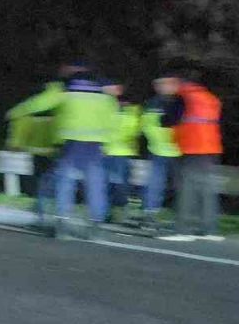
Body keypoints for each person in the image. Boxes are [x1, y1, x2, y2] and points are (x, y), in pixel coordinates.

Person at [23, 65, 117, 239]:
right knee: (96, 185)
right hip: (95, 147)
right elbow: (113, 123)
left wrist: (17, 112)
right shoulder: (106, 99)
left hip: (70, 145)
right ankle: (96, 225)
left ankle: (62, 224)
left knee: (65, 183)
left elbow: (37, 104)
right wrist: (108, 146)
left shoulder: (66, 93)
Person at [158, 68, 224, 242]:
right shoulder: (209, 97)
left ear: (177, 82)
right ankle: (209, 229)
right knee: (206, 191)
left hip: (192, 148)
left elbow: (168, 120)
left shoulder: (182, 97)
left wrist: (165, 103)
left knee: (186, 189)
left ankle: (182, 230)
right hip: (211, 148)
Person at [6, 69, 70, 226]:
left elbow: (17, 116)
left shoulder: (37, 101)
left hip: (38, 148)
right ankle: (58, 215)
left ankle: (42, 215)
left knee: (42, 181)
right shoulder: (67, 97)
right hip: (59, 147)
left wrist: (16, 142)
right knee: (59, 182)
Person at [140, 78, 184, 233]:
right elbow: (147, 126)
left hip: (178, 150)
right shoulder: (154, 103)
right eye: (162, 84)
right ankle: (150, 214)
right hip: (161, 150)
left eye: (170, 83)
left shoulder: (181, 102)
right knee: (155, 183)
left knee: (178, 185)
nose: (166, 87)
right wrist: (163, 141)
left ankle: (179, 216)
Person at [101, 83, 141, 225]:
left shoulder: (109, 108)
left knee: (109, 185)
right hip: (122, 152)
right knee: (120, 185)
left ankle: (106, 214)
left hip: (109, 152)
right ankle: (118, 214)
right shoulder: (134, 111)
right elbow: (134, 132)